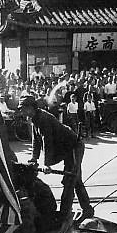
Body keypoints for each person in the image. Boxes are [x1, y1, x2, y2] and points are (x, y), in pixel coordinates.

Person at [17, 95, 93, 223]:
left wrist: (46, 164)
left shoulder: (43, 119)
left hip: (74, 147)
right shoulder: (34, 118)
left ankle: (63, 215)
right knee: (75, 179)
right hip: (66, 150)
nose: (21, 112)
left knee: (70, 180)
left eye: (23, 109)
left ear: (31, 108)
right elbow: (36, 140)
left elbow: (48, 142)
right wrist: (33, 159)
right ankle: (87, 210)